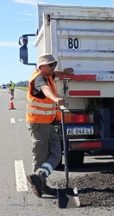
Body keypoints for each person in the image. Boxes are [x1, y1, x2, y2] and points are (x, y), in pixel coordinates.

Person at [26, 54, 73, 198]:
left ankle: (39, 177)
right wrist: (56, 98)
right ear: (41, 67)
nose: (54, 67)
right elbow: (45, 89)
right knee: (41, 155)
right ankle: (41, 186)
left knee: (56, 154)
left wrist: (64, 73)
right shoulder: (39, 79)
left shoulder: (49, 75)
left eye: (54, 64)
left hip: (50, 122)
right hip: (38, 123)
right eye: (50, 65)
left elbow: (54, 74)